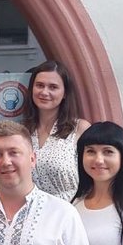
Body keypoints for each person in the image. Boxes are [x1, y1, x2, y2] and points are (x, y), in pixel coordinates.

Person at [22, 60, 90, 201]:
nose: (44, 92)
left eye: (53, 87)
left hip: (71, 211)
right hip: (33, 213)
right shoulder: (22, 132)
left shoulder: (79, 129)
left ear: (65, 93)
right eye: (39, 85)